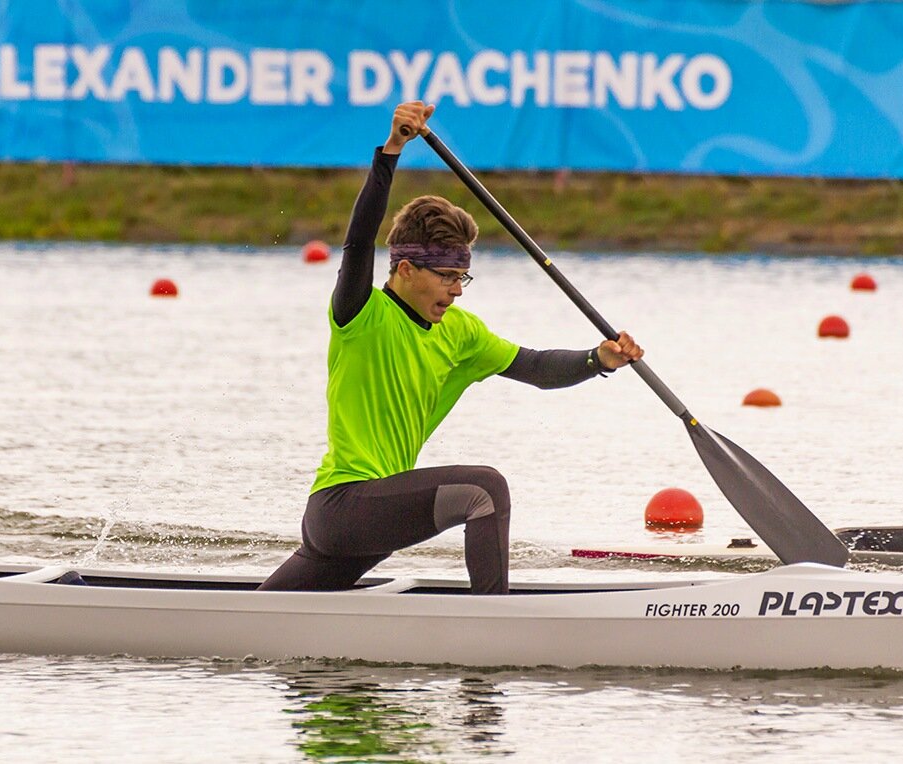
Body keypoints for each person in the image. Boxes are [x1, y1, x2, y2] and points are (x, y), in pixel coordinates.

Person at [259, 101, 643, 595]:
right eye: (446, 277)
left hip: (371, 520)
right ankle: (493, 627)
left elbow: (537, 367)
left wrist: (599, 360)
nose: (457, 290)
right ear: (405, 270)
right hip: (344, 506)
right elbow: (358, 242)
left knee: (265, 616)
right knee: (484, 491)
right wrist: (392, 151)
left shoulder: (461, 333)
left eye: (463, 276)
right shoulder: (360, 314)